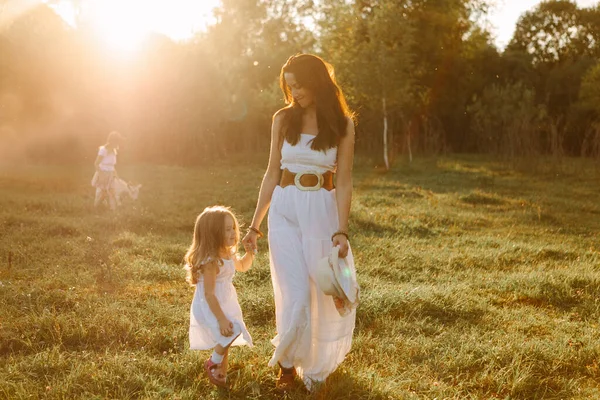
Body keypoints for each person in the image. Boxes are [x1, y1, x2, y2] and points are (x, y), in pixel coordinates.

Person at [242, 53, 357, 391]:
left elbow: (345, 181)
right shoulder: (283, 119)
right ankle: (287, 367)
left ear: (317, 82)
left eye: (299, 85)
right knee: (294, 292)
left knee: (321, 287)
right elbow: (271, 173)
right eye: (288, 86)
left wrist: (341, 229)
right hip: (285, 208)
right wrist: (254, 225)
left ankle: (317, 364)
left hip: (321, 208)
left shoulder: (343, 124)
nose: (294, 93)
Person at [184, 206, 255, 388]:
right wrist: (221, 319)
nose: (233, 232)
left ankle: (220, 373)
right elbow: (208, 294)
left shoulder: (228, 253)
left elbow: (242, 266)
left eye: (233, 228)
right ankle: (213, 362)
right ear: (213, 234)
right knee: (231, 330)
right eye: (227, 229)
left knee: (227, 338)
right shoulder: (211, 261)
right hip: (212, 305)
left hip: (226, 301)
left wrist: (250, 254)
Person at [92, 131, 121, 210]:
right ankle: (95, 208)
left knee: (112, 192)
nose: (117, 144)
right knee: (102, 193)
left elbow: (112, 165)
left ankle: (113, 210)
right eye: (116, 141)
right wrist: (101, 175)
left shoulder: (114, 151)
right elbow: (96, 163)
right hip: (103, 172)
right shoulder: (103, 150)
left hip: (111, 173)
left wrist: (116, 174)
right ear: (111, 141)